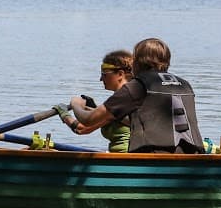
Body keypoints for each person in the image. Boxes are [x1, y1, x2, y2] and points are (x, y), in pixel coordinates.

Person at [68, 36, 203, 153]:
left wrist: (76, 104)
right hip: (193, 156)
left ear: (138, 62)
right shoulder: (185, 85)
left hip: (152, 156)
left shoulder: (138, 86)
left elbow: (88, 120)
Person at [84, 49, 134, 152]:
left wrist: (68, 109)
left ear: (120, 74)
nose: (101, 79)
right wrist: (95, 109)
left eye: (104, 74)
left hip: (127, 157)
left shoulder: (124, 100)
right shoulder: (125, 98)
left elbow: (82, 128)